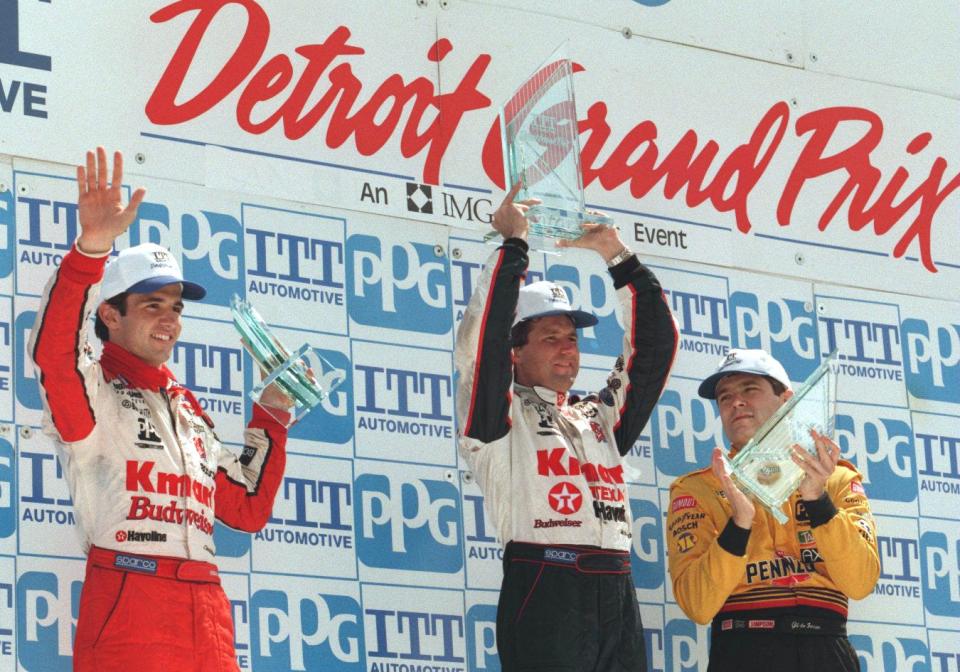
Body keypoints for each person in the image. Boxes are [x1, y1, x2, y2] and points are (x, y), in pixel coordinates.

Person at [29, 148, 292, 671]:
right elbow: (55, 355)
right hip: (130, 602)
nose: (170, 320)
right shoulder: (95, 394)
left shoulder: (186, 408)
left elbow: (245, 507)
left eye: (176, 307)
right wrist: (92, 249)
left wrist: (273, 411)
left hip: (207, 609)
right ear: (111, 313)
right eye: (152, 305)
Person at [455, 183, 678, 671]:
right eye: (550, 336)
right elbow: (481, 345)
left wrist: (616, 255)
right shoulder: (496, 415)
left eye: (572, 337)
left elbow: (656, 349)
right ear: (515, 352)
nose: (567, 348)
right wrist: (513, 245)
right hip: (544, 586)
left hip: (617, 588)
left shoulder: (598, 416)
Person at [667, 349, 880, 672]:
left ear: (786, 400)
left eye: (750, 389)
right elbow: (697, 605)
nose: (735, 402)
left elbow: (861, 582)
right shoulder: (698, 490)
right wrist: (739, 524)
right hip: (745, 649)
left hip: (826, 649)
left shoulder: (835, 478)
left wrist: (817, 500)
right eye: (725, 398)